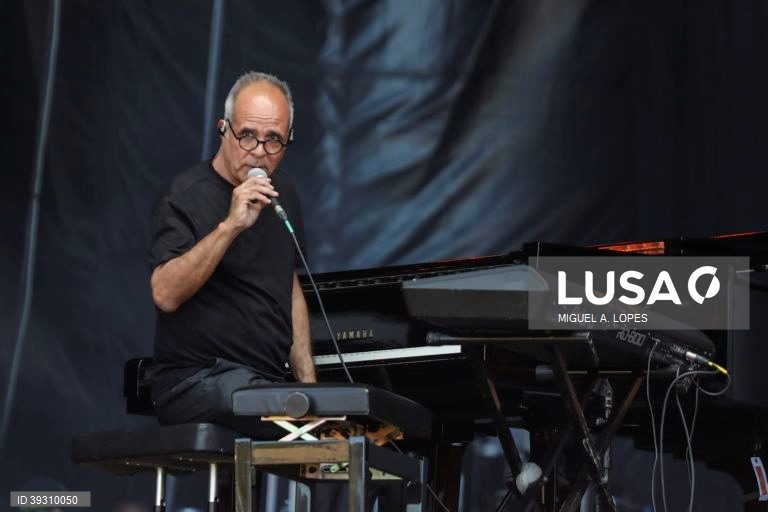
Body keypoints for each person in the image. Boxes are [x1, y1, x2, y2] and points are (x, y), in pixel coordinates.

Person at [148, 71, 316, 435]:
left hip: (262, 381)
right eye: (247, 136)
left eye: (274, 140)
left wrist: (310, 388)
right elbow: (164, 294)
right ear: (224, 129)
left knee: (331, 421)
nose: (259, 151)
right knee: (268, 403)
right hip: (196, 379)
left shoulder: (283, 192)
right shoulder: (185, 195)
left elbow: (289, 288)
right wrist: (230, 225)